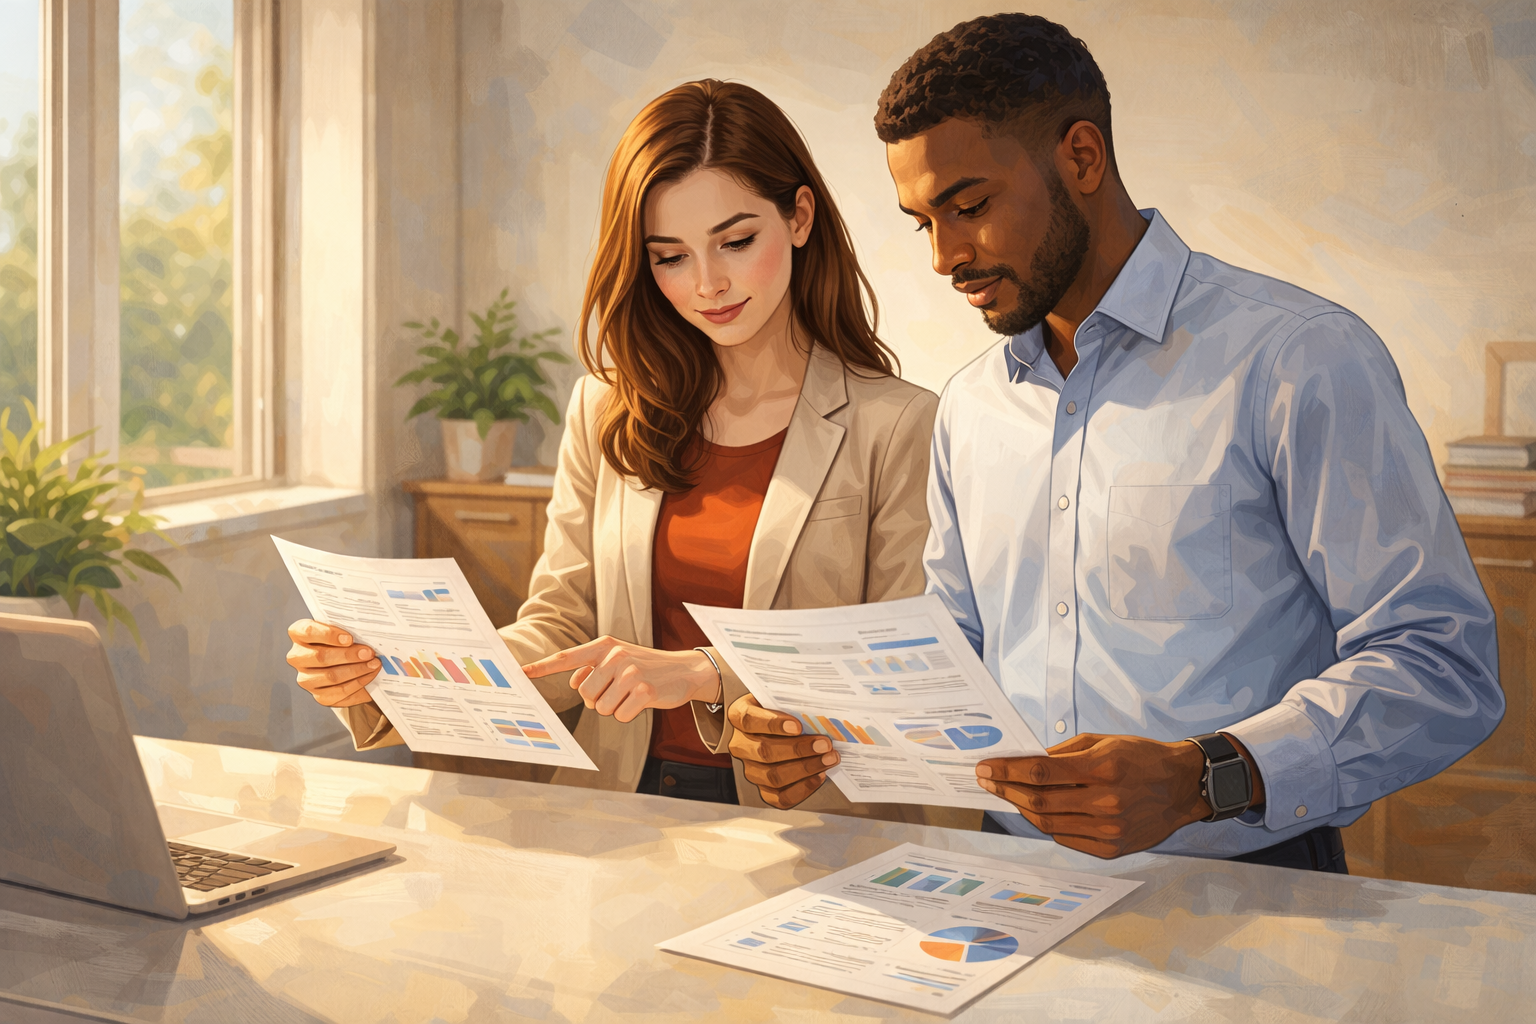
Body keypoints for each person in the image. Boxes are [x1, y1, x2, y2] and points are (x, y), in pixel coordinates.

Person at [729, 12, 1503, 872]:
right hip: (1011, 888)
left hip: (1252, 893)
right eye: (923, 223)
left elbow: (1441, 664)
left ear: (1082, 157)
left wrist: (1201, 779)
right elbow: (954, 649)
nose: (946, 256)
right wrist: (816, 729)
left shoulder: (1298, 359)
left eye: (971, 206)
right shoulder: (971, 407)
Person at [284, 80, 977, 829]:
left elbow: (897, 665)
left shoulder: (897, 423)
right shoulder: (607, 408)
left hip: (811, 821)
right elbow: (560, 628)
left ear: (800, 216)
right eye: (670, 257)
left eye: (736, 242)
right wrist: (395, 673)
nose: (707, 283)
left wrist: (704, 675)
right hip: (617, 807)